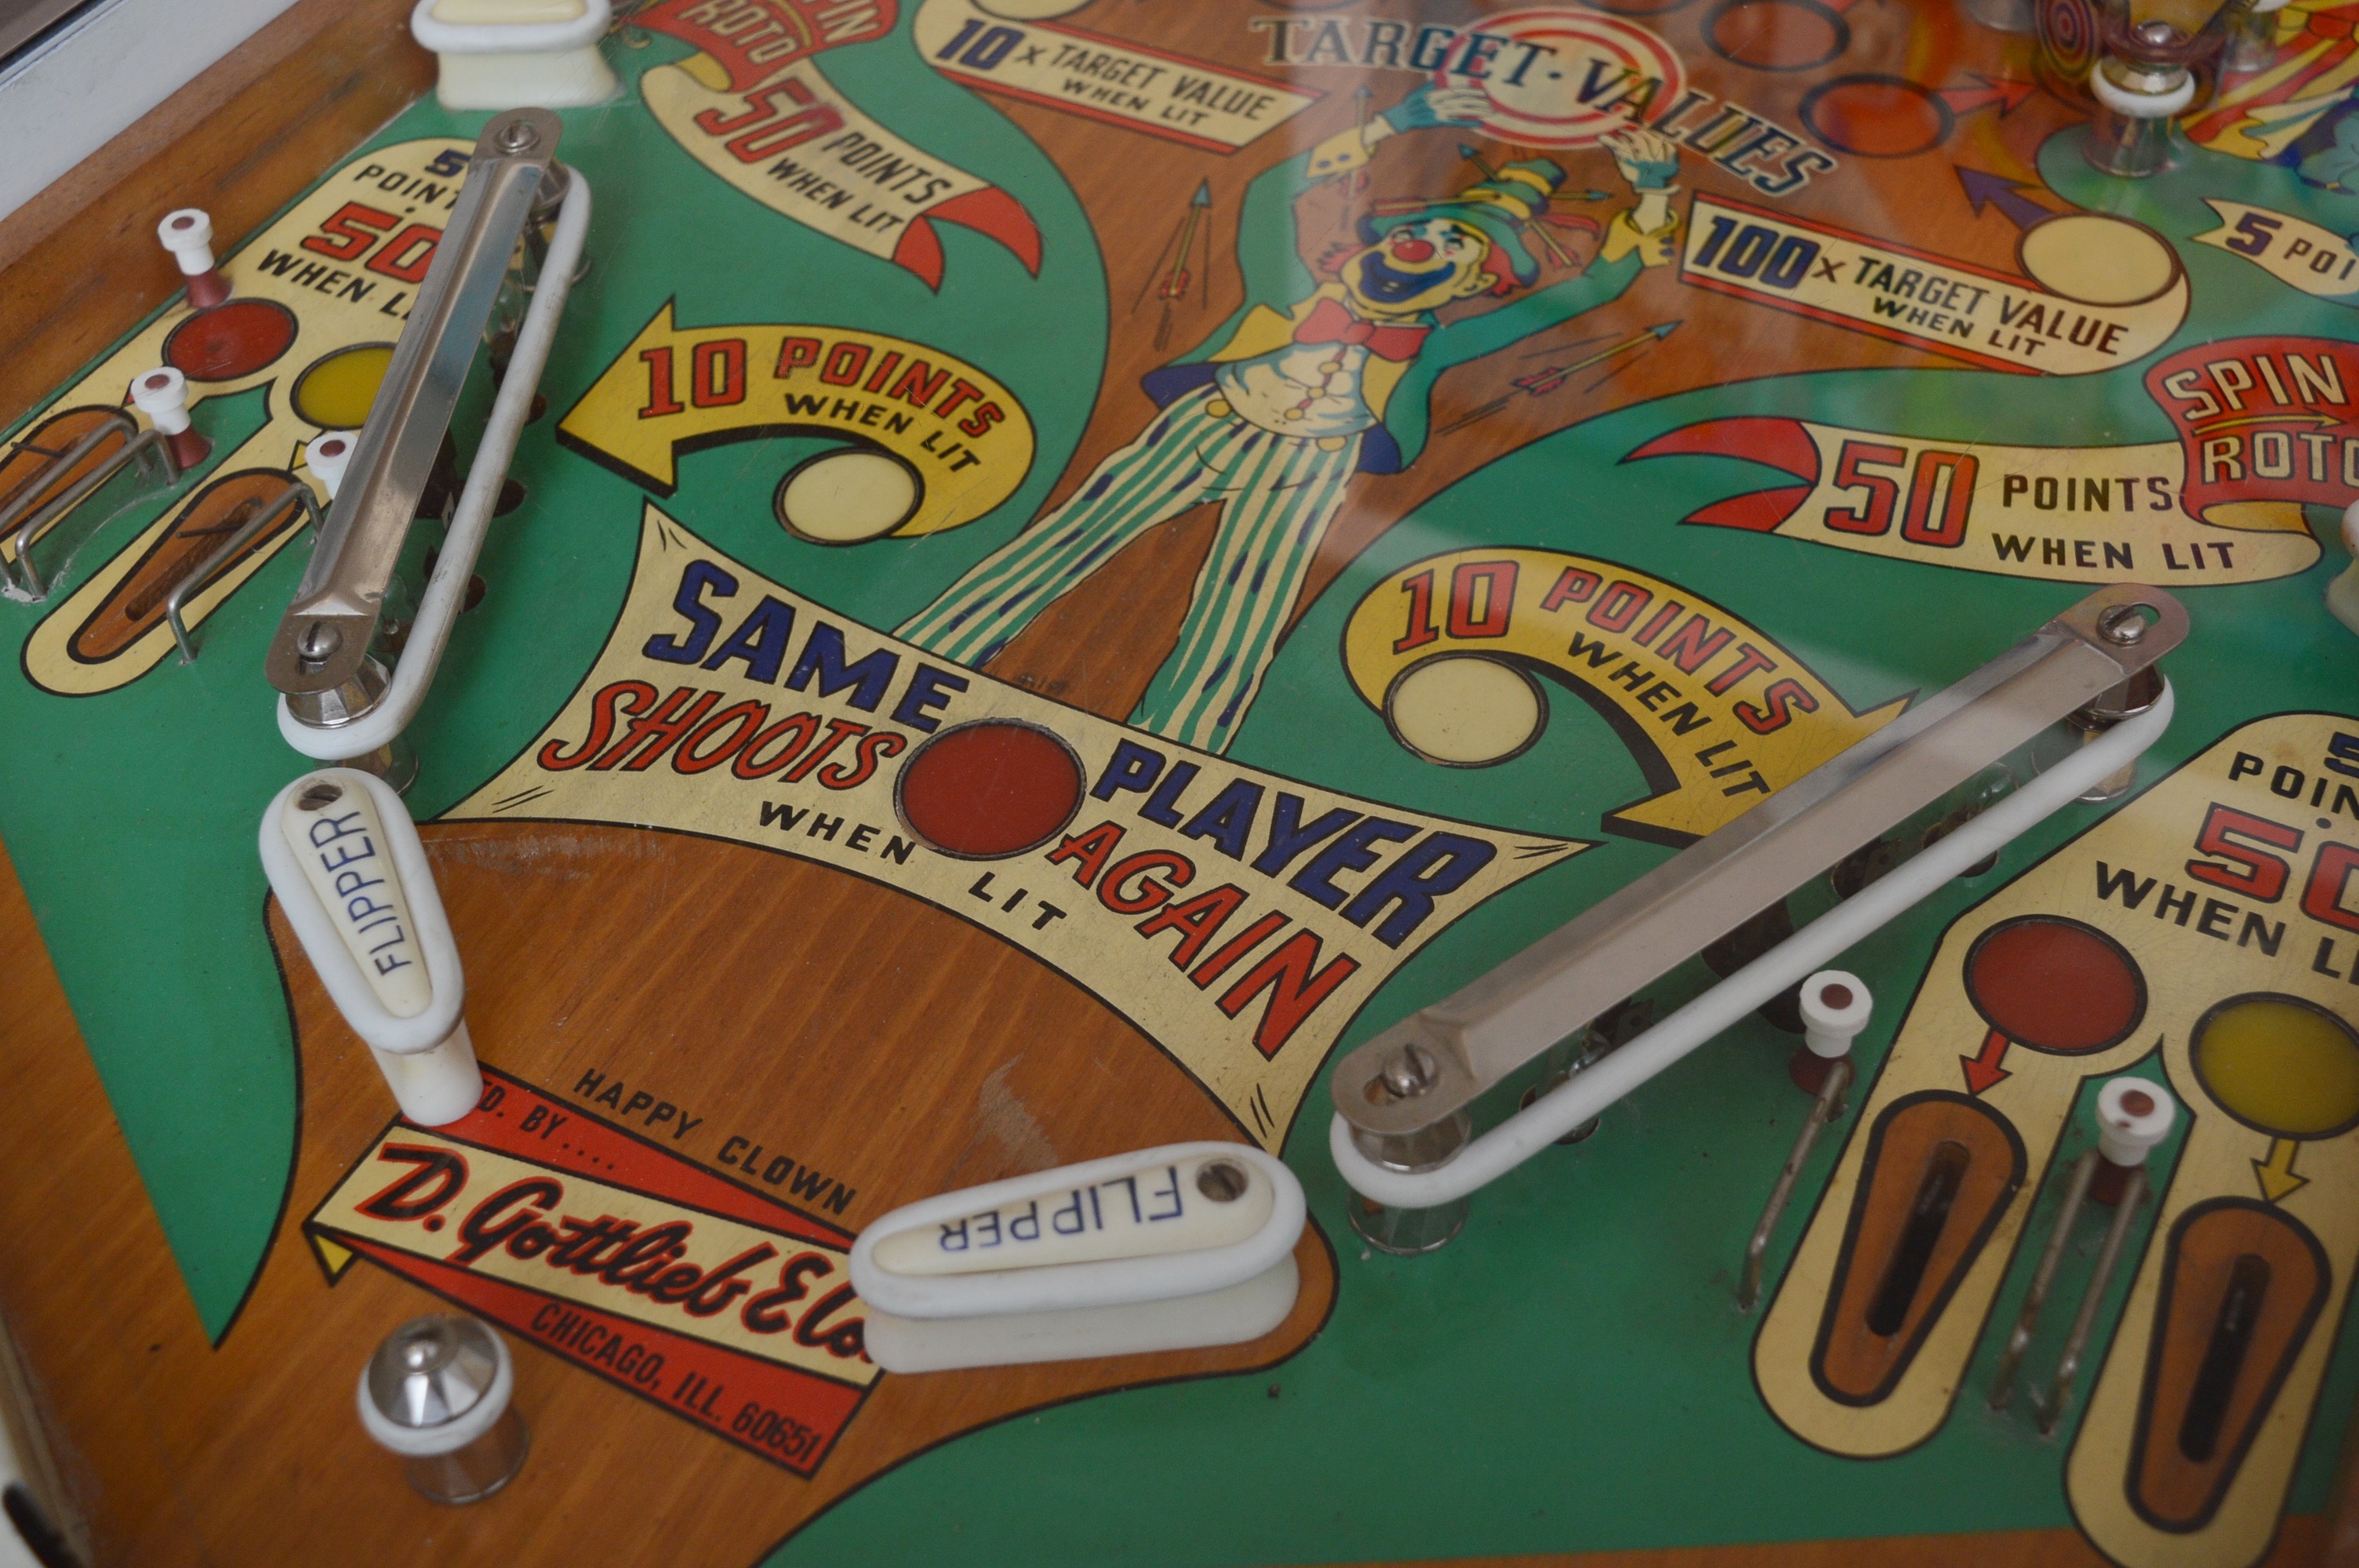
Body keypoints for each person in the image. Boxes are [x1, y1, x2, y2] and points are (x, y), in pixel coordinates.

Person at [900, 85, 1683, 753]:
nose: (1425, 240)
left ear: (1473, 277)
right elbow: (1275, 189)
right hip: (1212, 418)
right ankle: (920, 656)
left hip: (1314, 463)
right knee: (1070, 538)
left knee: (1243, 608)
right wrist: (1387, 125)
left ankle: (1174, 746)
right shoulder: (1292, 284)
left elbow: (1604, 287)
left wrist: (1651, 189)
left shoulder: (1444, 342)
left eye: (1457, 242)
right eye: (1421, 227)